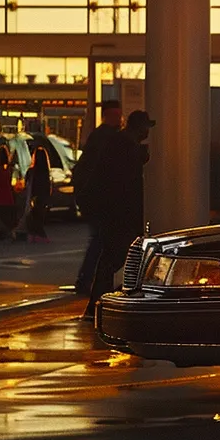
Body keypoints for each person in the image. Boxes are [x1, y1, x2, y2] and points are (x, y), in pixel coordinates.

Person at [84, 109, 154, 320]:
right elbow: (125, 185)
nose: (147, 133)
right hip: (120, 215)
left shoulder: (119, 144)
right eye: (145, 128)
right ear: (138, 128)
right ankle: (99, 303)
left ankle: (98, 303)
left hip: (112, 213)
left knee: (112, 258)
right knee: (114, 258)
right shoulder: (126, 147)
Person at [73, 100, 123, 295]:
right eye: (116, 115)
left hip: (92, 198)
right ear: (108, 115)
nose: (118, 119)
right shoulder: (108, 138)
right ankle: (88, 280)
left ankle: (87, 279)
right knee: (102, 240)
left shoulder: (98, 136)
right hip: (100, 199)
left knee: (99, 239)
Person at [24, 145, 51, 243]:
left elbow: (26, 183)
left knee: (33, 217)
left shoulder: (31, 171)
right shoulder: (45, 172)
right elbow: (48, 186)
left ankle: (33, 235)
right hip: (42, 198)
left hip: (32, 197)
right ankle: (40, 236)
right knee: (39, 218)